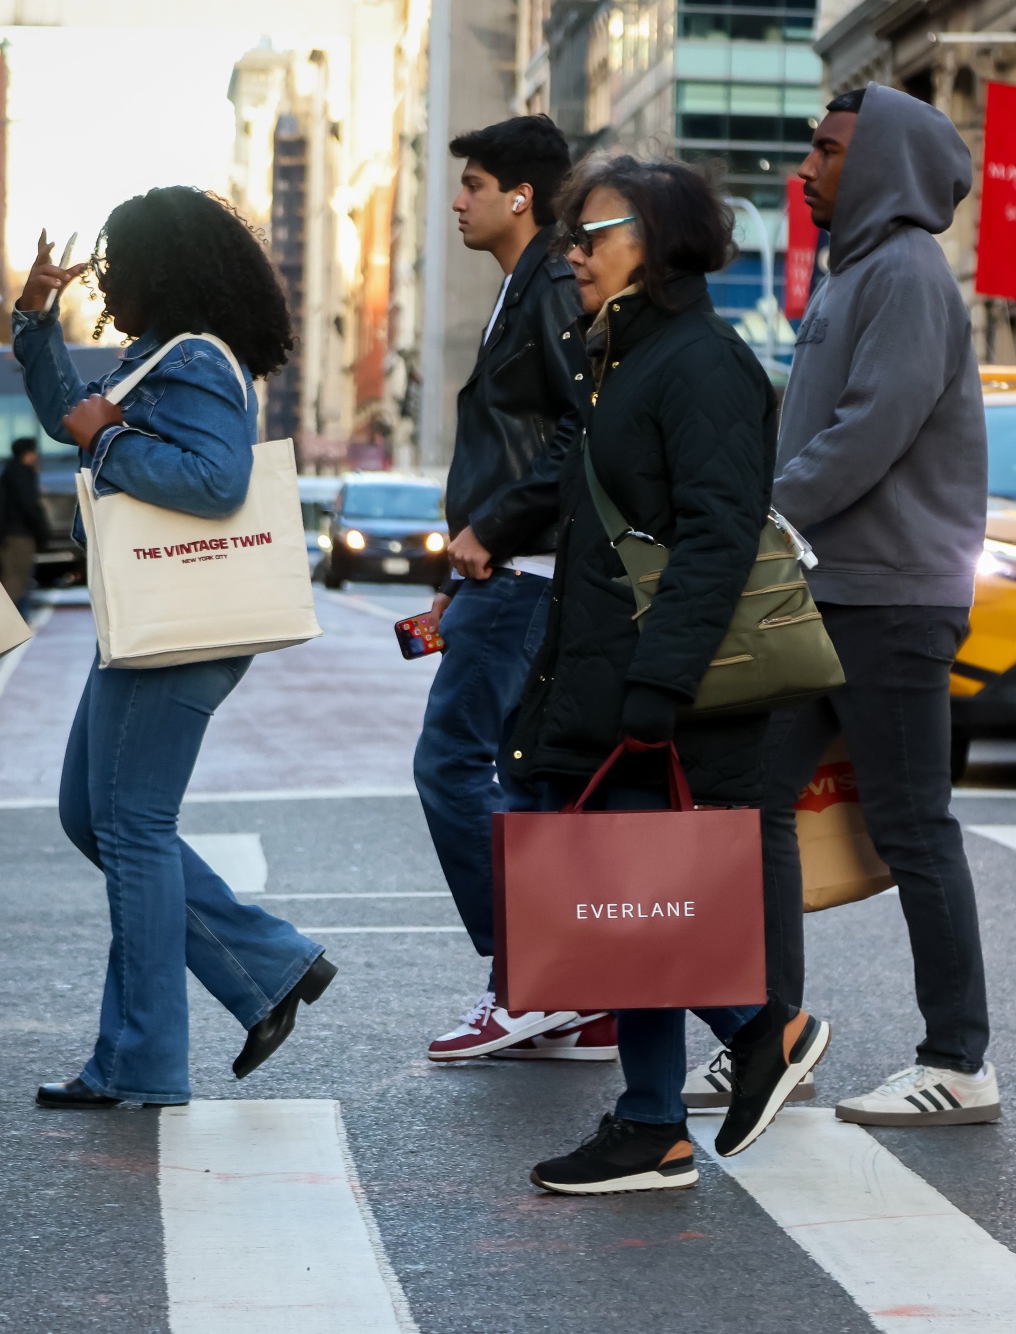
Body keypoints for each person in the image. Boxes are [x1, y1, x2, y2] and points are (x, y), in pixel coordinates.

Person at [510, 156, 828, 1197]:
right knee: (632, 908)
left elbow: (717, 539)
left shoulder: (702, 363)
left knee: (642, 903)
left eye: (588, 233)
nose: (570, 254)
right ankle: (650, 1122)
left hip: (667, 690)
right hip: (614, 677)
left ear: (650, 237)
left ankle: (757, 1028)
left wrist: (658, 685)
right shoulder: (623, 358)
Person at [12, 190, 333, 1108]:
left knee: (132, 829)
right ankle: (268, 965)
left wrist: (107, 437)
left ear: (164, 269)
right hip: (150, 619)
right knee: (95, 817)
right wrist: (37, 322)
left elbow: (216, 480)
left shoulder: (191, 361)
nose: (106, 281)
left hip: (179, 627)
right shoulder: (156, 355)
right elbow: (67, 416)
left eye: (118, 265)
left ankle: (143, 1059)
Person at [743, 84, 997, 1129]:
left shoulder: (904, 275)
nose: (806, 168)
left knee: (910, 824)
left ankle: (958, 1056)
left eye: (827, 152)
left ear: (881, 162)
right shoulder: (853, 276)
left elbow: (866, 430)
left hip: (890, 597)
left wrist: (756, 516)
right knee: (751, 798)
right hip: (832, 587)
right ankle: (773, 1034)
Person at [408, 115, 607, 1064]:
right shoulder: (519, 289)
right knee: (531, 785)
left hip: (528, 573)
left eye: (474, 184)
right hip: (510, 572)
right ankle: (579, 994)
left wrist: (494, 528)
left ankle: (543, 976)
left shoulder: (550, 289)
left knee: (452, 768)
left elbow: (581, 433)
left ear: (520, 196)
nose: (458, 200)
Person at [0, 436, 49, 611]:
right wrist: (42, 531)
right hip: (19, 534)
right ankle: (6, 622)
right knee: (16, 578)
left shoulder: (9, 472)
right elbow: (29, 506)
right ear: (28, 454)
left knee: (13, 577)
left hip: (10, 532)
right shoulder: (22, 475)